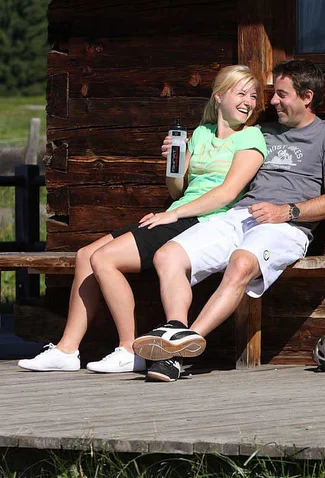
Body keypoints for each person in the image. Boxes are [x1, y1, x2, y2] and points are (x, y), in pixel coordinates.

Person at [17, 65, 267, 374]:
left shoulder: (252, 139)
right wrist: (174, 161)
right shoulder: (201, 134)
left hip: (202, 221)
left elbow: (227, 193)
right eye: (241, 93)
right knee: (85, 256)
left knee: (105, 260)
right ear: (219, 97)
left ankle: (128, 349)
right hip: (178, 212)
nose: (249, 102)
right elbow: (177, 189)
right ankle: (67, 350)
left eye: (253, 96)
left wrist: (172, 214)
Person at [131, 59, 325, 382]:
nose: (272, 101)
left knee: (240, 263)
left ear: (307, 97)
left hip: (287, 227)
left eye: (281, 94)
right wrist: (181, 155)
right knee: (168, 255)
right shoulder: (261, 131)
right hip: (241, 216)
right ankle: (178, 329)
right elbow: (219, 153)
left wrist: (287, 211)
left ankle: (177, 354)